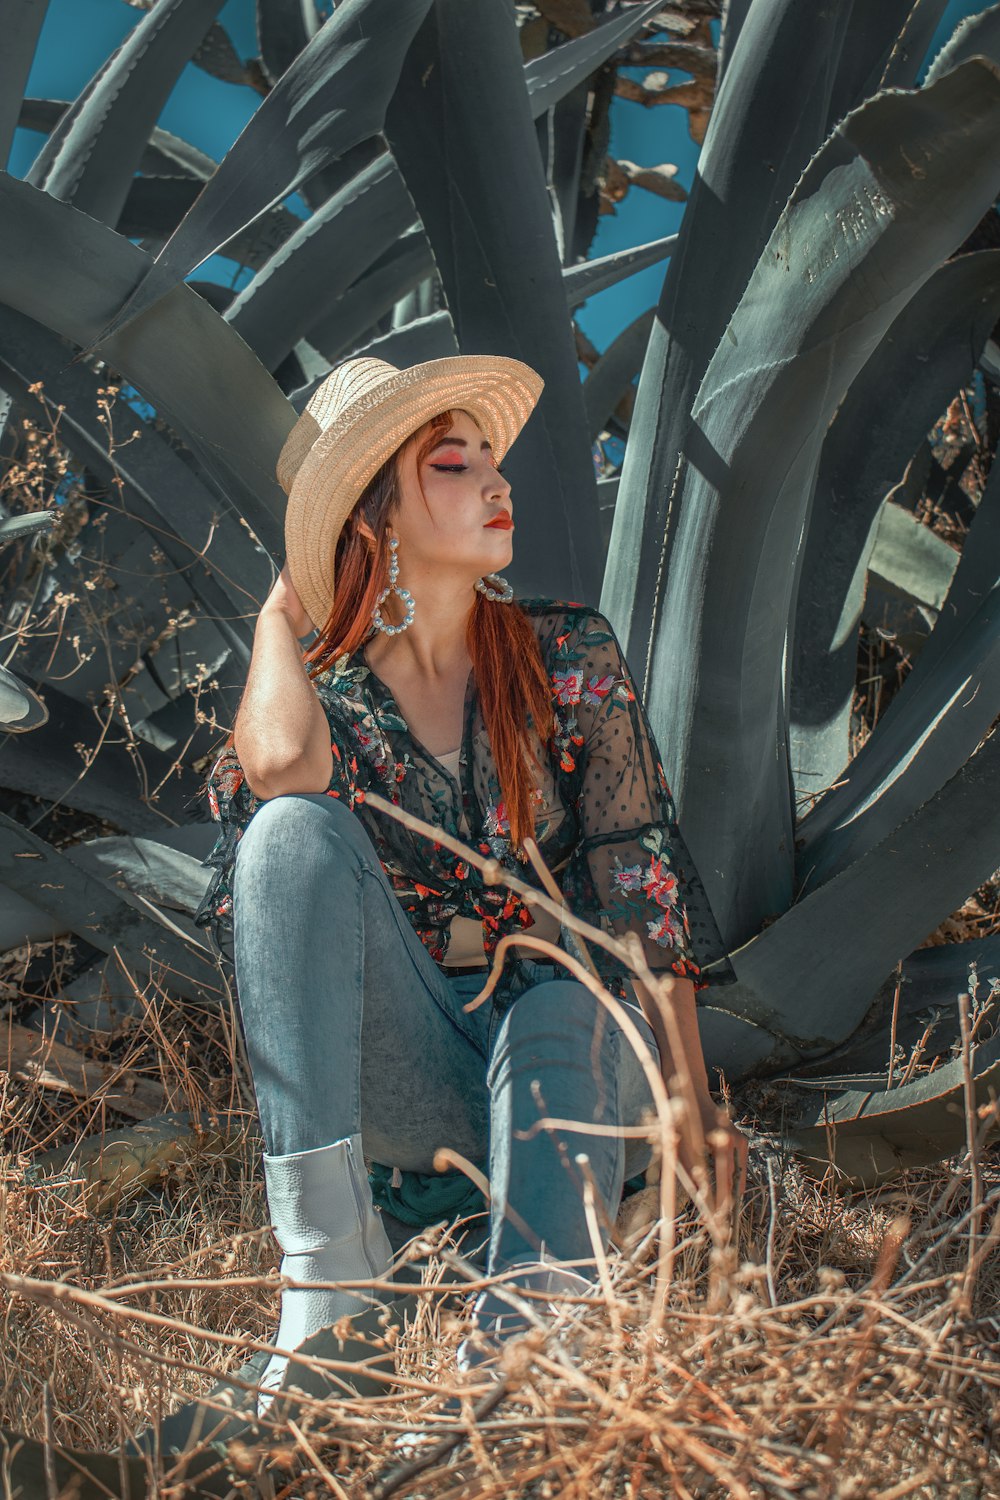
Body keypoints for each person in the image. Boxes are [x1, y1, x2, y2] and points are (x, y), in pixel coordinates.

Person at [193, 354, 748, 1413]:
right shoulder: (331, 707)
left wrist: (687, 1105)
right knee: (286, 836)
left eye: (492, 460)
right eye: (455, 464)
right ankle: (327, 1287)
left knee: (554, 999)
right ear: (375, 525)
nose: (498, 482)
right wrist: (279, 615)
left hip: (575, 1073)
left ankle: (522, 1358)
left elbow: (641, 886)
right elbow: (276, 773)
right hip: (421, 1087)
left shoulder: (565, 653)